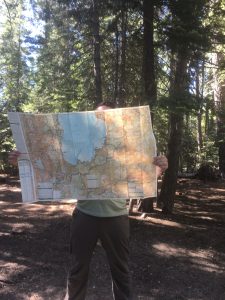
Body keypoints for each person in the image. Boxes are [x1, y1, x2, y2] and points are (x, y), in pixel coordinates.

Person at [9, 102, 168, 300]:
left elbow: (145, 175)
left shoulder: (127, 147)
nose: (102, 121)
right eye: (98, 117)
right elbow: (53, 163)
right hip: (85, 217)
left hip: (116, 218)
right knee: (77, 270)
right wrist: (22, 159)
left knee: (121, 272)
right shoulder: (80, 144)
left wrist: (160, 167)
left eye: (108, 117)